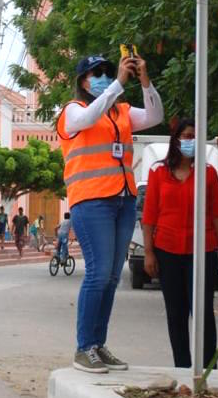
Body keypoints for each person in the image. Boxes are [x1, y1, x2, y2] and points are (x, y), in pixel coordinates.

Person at [56, 52, 163, 374]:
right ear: (83, 81)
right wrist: (117, 82)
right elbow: (88, 120)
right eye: (96, 72)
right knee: (98, 274)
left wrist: (144, 79)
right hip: (91, 201)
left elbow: (156, 115)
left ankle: (97, 345)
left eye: (106, 70)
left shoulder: (123, 112)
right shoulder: (73, 111)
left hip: (123, 199)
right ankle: (83, 347)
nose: (102, 75)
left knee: (113, 278)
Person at [142, 119, 218, 369]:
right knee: (176, 313)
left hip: (202, 251)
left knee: (202, 312)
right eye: (186, 135)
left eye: (194, 136)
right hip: (167, 251)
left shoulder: (208, 173)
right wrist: (149, 253)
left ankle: (207, 369)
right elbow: (149, 216)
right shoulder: (158, 172)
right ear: (176, 139)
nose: (190, 141)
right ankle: (182, 367)